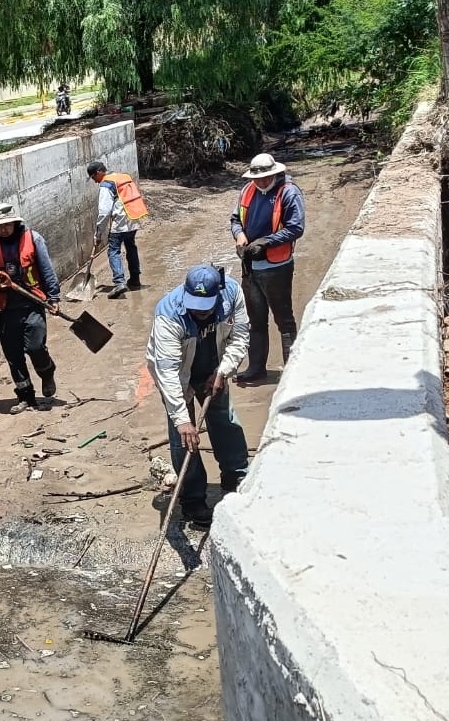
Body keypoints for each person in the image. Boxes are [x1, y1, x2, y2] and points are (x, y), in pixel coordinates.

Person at [147, 265, 251, 527]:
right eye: (195, 306)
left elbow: (240, 337)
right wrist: (182, 419)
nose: (200, 311)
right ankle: (192, 500)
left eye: (206, 306)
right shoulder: (169, 314)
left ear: (219, 293)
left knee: (225, 420)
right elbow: (168, 372)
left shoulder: (232, 294)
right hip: (177, 374)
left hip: (213, 366)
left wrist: (223, 371)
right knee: (185, 437)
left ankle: (236, 477)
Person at [0, 201, 61, 413]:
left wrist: (54, 298)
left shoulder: (33, 239)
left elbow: (47, 270)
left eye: (7, 225)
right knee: (13, 355)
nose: (3, 229)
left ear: (15, 223)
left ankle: (47, 371)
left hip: (32, 303)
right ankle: (25, 396)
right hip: (6, 307)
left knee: (35, 347)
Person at [230, 153, 304, 386]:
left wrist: (266, 242)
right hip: (250, 266)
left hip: (276, 267)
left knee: (284, 320)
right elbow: (235, 220)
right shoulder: (247, 190)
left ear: (275, 174)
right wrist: (240, 236)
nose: (261, 182)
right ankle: (256, 368)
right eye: (257, 178)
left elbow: (296, 228)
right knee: (255, 320)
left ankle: (292, 370)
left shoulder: (289, 192)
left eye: (265, 178)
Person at [87, 160, 148, 299]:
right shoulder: (123, 177)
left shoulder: (106, 184)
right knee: (131, 246)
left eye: (93, 177)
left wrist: (98, 234)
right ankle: (135, 279)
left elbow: (104, 212)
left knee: (113, 251)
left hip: (120, 222)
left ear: (99, 172)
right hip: (133, 218)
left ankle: (119, 282)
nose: (94, 181)